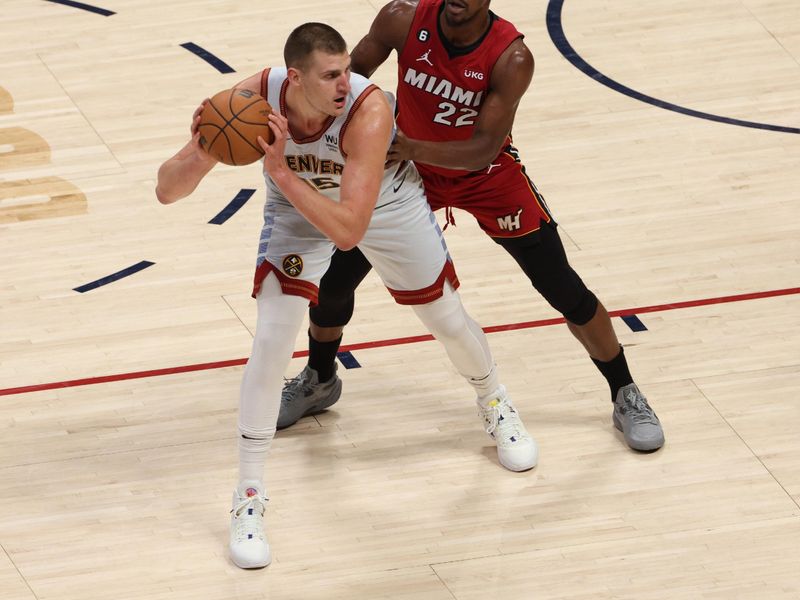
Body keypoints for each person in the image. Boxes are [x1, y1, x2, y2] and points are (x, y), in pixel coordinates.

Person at [156, 22, 537, 570]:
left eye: (346, 70)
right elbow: (167, 191)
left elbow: (349, 233)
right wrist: (202, 145)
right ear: (295, 77)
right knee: (270, 340)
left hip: (383, 206)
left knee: (446, 317)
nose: (346, 81)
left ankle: (495, 399)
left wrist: (282, 172)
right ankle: (248, 496)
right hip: (299, 213)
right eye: (331, 74)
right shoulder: (251, 100)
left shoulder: (369, 111)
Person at [279, 0, 665, 453]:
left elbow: (483, 147)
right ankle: (320, 379)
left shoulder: (511, 58)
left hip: (483, 175)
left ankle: (626, 392)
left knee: (560, 284)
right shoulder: (401, 18)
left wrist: (405, 145)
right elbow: (344, 86)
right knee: (333, 283)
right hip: (409, 171)